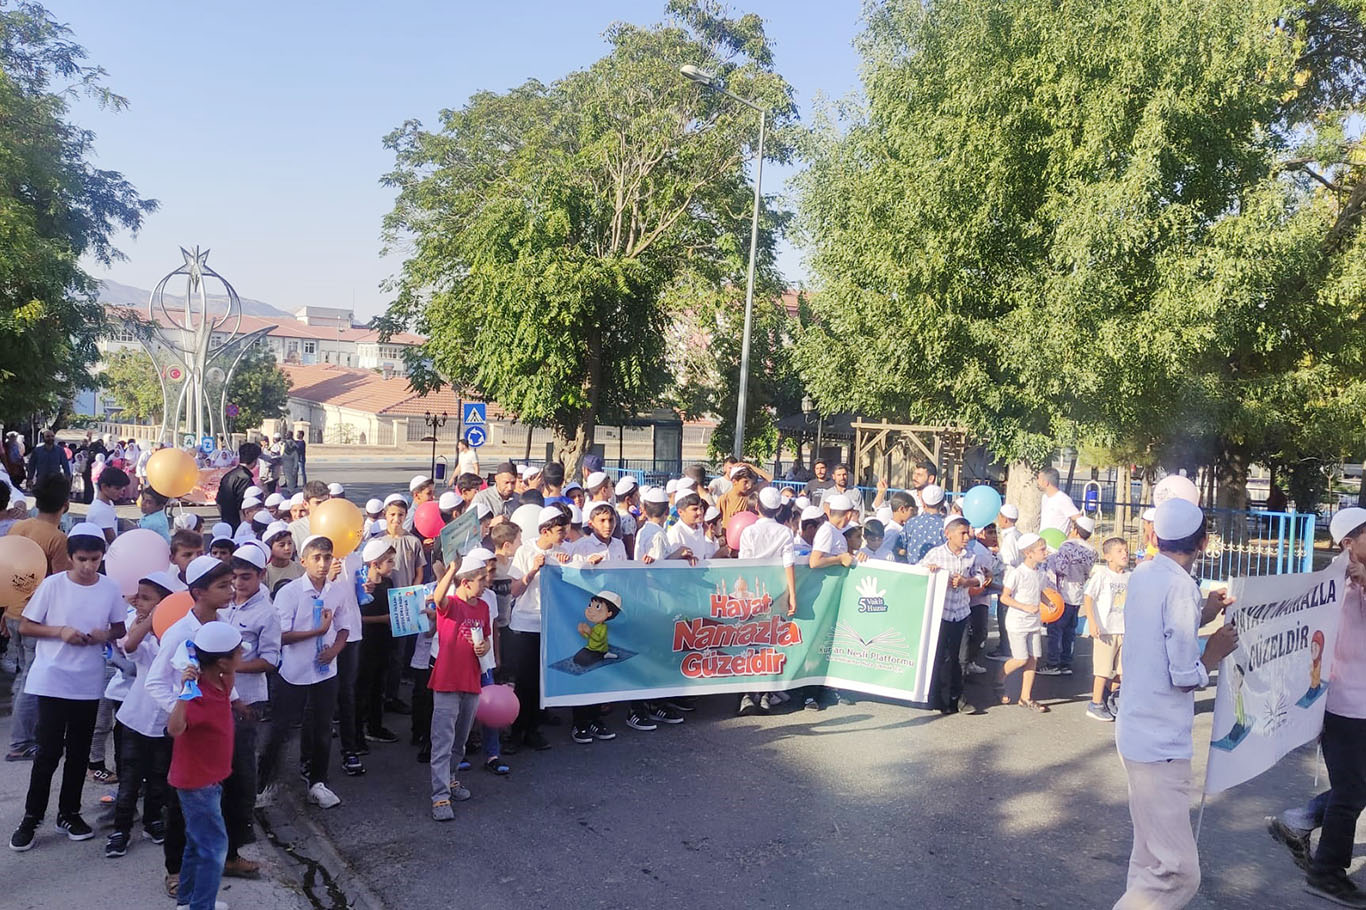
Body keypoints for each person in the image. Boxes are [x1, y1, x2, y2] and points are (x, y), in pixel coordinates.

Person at [1113, 498, 1238, 910]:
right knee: (1180, 871)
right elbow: (1184, 675)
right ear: (1203, 542)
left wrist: (1205, 611)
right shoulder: (1181, 585)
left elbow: (1162, 631)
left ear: (1154, 536)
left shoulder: (1144, 573)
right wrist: (1214, 652)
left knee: (1149, 856)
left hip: (1135, 731)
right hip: (1160, 742)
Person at [9, 522, 127, 851]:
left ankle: (69, 812)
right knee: (47, 752)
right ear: (71, 558)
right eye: (82, 559)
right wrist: (60, 631)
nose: (89, 566)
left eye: (95, 559)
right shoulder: (52, 585)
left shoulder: (110, 588)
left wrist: (106, 635)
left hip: (87, 682)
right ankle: (32, 817)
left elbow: (119, 627)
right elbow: (28, 626)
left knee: (78, 753)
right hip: (52, 678)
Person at [256, 535, 347, 809]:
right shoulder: (290, 592)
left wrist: (334, 650)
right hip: (294, 672)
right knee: (281, 728)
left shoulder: (337, 590)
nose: (322, 564)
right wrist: (317, 632)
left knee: (321, 728)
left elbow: (344, 626)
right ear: (303, 560)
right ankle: (264, 783)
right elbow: (280, 636)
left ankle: (317, 780)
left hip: (325, 672)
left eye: (327, 557)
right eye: (316, 558)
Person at [105, 569, 183, 859]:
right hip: (135, 718)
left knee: (160, 776)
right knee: (130, 778)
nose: (137, 601)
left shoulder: (178, 631)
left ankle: (152, 821)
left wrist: (166, 617)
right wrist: (152, 618)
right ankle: (120, 830)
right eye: (138, 595)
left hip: (165, 719)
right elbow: (129, 646)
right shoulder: (134, 623)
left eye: (146, 598)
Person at [167, 620, 243, 910]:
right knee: (214, 848)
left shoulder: (224, 681)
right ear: (223, 661)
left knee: (196, 844)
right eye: (238, 653)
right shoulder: (196, 692)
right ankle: (202, 906)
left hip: (211, 779)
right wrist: (185, 691)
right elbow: (174, 729)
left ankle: (187, 901)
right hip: (196, 783)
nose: (242, 656)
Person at [218, 543, 281, 877]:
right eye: (234, 577)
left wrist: (230, 665)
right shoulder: (224, 603)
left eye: (246, 577)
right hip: (217, 697)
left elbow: (271, 660)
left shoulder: (266, 614)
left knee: (241, 771)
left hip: (247, 701)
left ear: (260, 575)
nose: (239, 584)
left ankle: (237, 843)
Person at [5, 473, 70, 762]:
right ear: (65, 505)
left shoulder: (18, 526)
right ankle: (21, 742)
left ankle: (23, 735)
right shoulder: (57, 538)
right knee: (33, 677)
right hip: (35, 617)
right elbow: (61, 583)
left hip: (12, 612)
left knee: (23, 673)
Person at [426, 554, 493, 820]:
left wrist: (484, 647)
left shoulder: (484, 607)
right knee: (442, 741)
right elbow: (438, 597)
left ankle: (451, 779)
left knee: (460, 741)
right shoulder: (451, 604)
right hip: (446, 681)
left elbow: (486, 638)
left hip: (471, 679)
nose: (486, 583)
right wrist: (451, 569)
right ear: (465, 583)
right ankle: (439, 796)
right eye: (481, 579)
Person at [505, 507, 572, 751]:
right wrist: (533, 569)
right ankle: (515, 732)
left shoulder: (563, 551)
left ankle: (532, 729)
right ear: (545, 531)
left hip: (550, 624)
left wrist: (569, 566)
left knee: (540, 681)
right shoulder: (526, 550)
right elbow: (514, 590)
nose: (564, 535)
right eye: (560, 531)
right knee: (523, 681)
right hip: (525, 624)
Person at [736, 486, 799, 715]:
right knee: (769, 643)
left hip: (752, 594)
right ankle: (763, 695)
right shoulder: (784, 533)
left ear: (756, 507)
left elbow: (744, 565)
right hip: (776, 594)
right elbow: (788, 564)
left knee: (748, 643)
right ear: (779, 508)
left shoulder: (748, 532)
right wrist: (792, 594)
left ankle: (746, 695)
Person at [919, 515, 987, 715]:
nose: (966, 537)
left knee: (961, 658)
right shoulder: (935, 554)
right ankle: (935, 698)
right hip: (941, 614)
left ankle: (958, 698)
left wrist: (967, 582)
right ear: (948, 534)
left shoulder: (971, 555)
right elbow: (918, 573)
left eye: (968, 532)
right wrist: (929, 571)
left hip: (962, 613)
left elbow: (980, 577)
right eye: (962, 533)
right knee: (939, 656)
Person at [1040, 515, 1098, 677]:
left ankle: (1053, 663)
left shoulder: (1066, 547)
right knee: (1070, 631)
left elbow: (1059, 570)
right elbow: (1087, 573)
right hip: (1077, 595)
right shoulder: (1092, 552)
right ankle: (1066, 662)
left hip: (1061, 595)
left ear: (1075, 530)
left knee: (1055, 631)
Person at [999, 533, 1049, 713]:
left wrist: (1048, 602)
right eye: (1042, 550)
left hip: (1034, 622)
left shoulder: (1040, 573)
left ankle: (1025, 697)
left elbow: (1039, 591)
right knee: (1021, 659)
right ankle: (999, 678)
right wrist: (1024, 607)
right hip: (1017, 622)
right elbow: (1005, 598)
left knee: (1033, 658)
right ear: (1029, 553)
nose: (1046, 552)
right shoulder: (1017, 573)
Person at [1082, 537, 1130, 723]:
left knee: (1124, 671)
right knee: (1102, 670)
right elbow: (1088, 598)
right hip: (1105, 630)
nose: (1124, 554)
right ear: (1108, 556)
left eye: (1125, 550)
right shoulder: (1102, 575)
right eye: (1119, 551)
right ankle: (1095, 704)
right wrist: (1092, 622)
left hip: (1124, 630)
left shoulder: (1130, 576)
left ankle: (1110, 696)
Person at [356, 538, 399, 745]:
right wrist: (383, 619)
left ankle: (375, 726)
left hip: (384, 642)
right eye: (389, 561)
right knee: (362, 688)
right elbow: (357, 617)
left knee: (378, 687)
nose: (393, 565)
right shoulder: (362, 587)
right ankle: (356, 733)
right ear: (374, 563)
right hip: (366, 644)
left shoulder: (388, 583)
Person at [216, 442, 261, 532]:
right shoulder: (245, 479)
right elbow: (244, 507)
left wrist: (225, 518)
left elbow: (218, 502)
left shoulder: (228, 475)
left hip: (226, 523)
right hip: (238, 526)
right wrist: (244, 528)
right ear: (254, 461)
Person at [899, 483, 947, 563]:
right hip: (937, 572)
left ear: (923, 502)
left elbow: (899, 547)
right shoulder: (946, 526)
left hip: (913, 571)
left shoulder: (911, 522)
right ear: (942, 503)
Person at [86, 465, 130, 544]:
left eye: (123, 489)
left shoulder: (108, 503)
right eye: (117, 488)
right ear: (104, 487)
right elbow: (112, 541)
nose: (121, 492)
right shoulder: (101, 511)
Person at [1037, 467, 1082, 534]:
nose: (1037, 482)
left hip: (1058, 543)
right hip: (1045, 542)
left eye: (1039, 479)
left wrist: (1072, 536)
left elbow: (1079, 519)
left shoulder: (1063, 499)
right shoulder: (1045, 497)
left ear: (1046, 482)